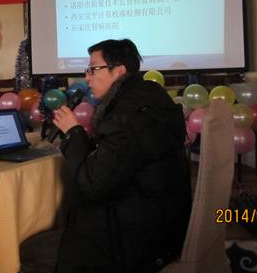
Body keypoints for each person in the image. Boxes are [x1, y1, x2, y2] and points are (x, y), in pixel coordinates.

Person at [53, 39, 191, 273]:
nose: (87, 78)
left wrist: (73, 132)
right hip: (167, 221)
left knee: (77, 216)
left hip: (142, 237)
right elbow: (119, 160)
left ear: (118, 71)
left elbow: (93, 184)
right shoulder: (149, 98)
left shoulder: (125, 116)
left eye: (93, 69)